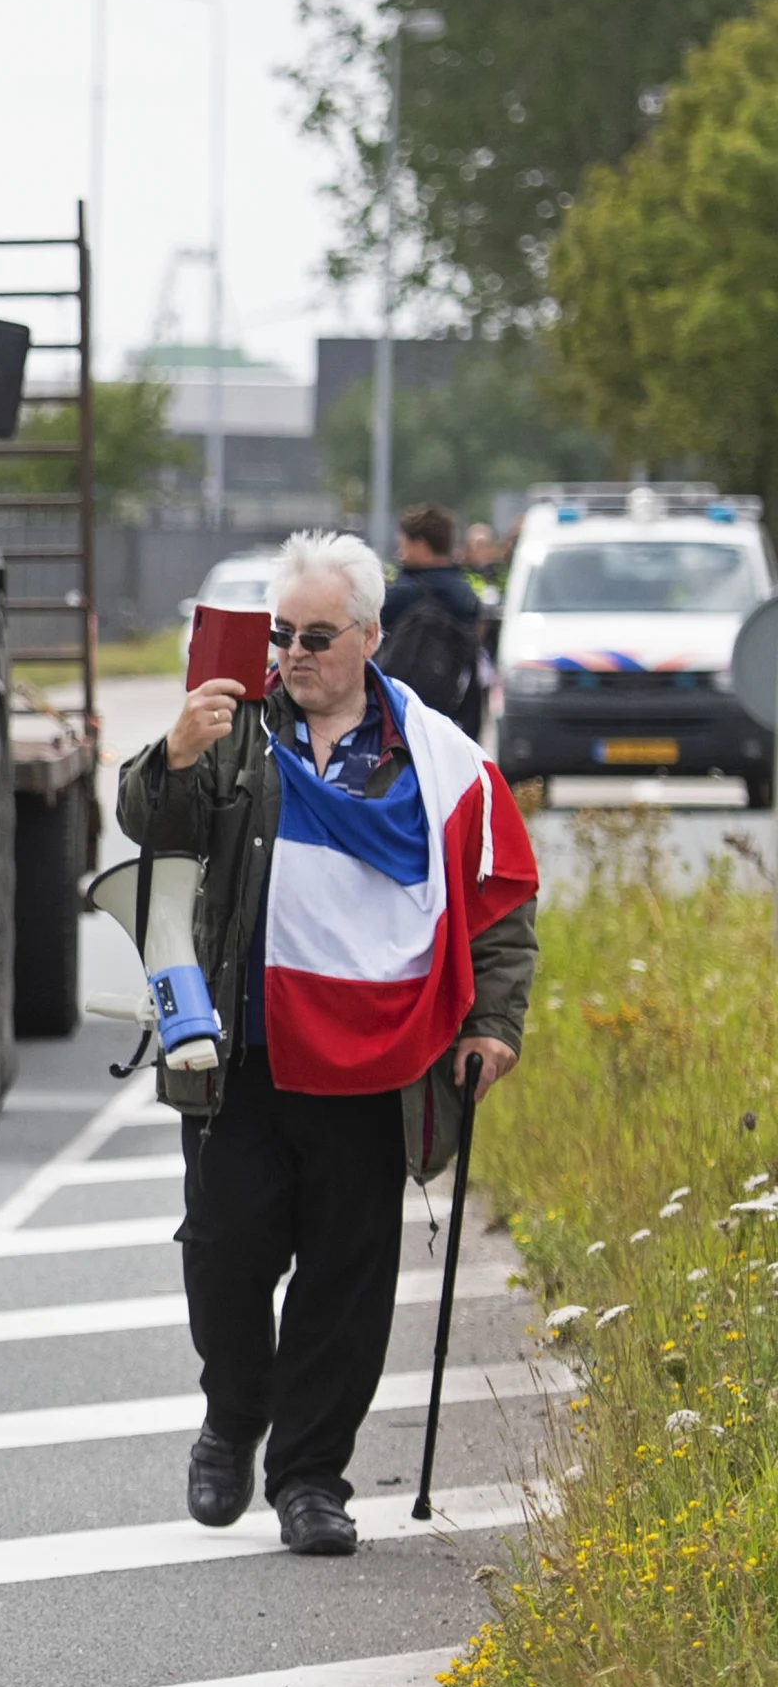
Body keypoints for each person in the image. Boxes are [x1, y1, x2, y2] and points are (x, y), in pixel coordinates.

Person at [121, 529, 537, 1555]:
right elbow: (149, 822)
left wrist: (491, 1025)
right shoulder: (232, 728)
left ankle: (310, 1478)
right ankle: (233, 1418)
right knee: (225, 1254)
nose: (293, 654)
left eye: (315, 636)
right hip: (245, 1055)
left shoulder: (438, 761)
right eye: (281, 635)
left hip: (377, 1067)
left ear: (368, 636)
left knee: (346, 1283)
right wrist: (174, 754)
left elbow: (496, 904)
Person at [381, 503, 487, 736]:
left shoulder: (403, 594)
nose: (399, 553)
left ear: (420, 546)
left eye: (403, 545)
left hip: (400, 709)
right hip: (452, 710)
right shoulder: (466, 595)